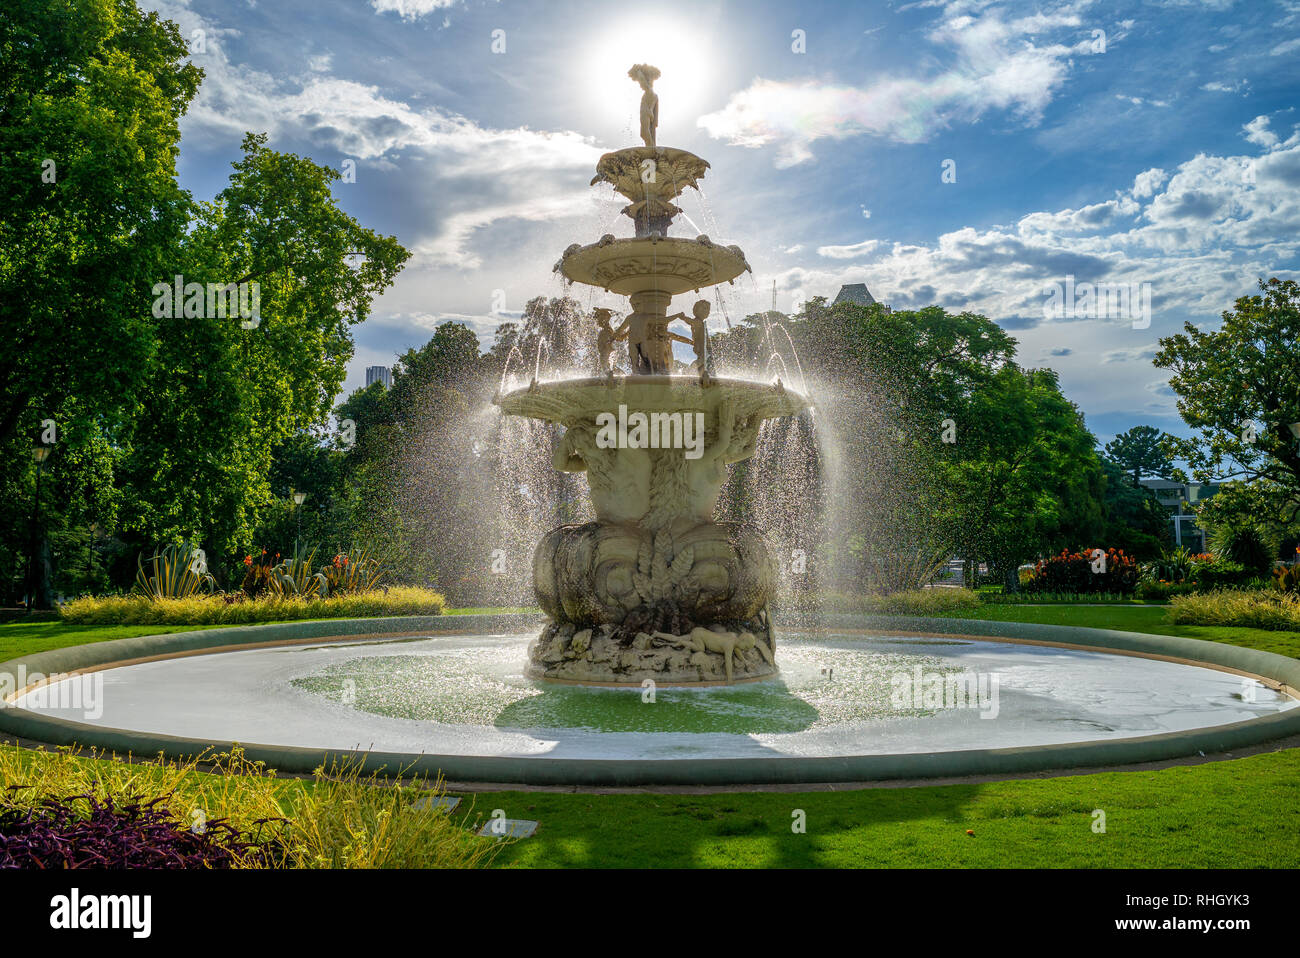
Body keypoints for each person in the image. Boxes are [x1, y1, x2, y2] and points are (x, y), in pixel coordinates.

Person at [629, 64, 660, 150]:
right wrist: (654, 119)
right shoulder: (653, 94)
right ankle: (651, 147)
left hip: (645, 112)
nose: (640, 85)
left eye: (640, 83)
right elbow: (655, 109)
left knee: (644, 133)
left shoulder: (649, 91)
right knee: (646, 133)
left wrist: (638, 71)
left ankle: (650, 149)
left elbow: (642, 80)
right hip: (648, 112)